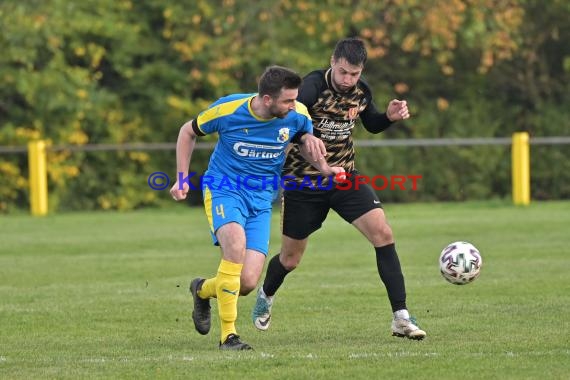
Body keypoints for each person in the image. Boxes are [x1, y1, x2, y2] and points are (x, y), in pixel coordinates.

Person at [252, 38, 427, 340]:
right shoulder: (311, 88)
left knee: (383, 233)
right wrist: (304, 140)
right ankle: (266, 295)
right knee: (290, 259)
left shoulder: (362, 90)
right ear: (332, 61)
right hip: (303, 181)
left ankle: (401, 317)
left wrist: (388, 117)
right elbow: (286, 123)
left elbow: (370, 123)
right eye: (344, 72)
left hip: (343, 177)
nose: (348, 80)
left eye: (354, 74)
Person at [170, 66, 343, 350]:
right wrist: (181, 178)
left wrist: (325, 168)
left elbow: (304, 144)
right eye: (287, 100)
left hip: (262, 198)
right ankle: (229, 336)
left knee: (247, 282)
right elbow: (187, 132)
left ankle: (201, 290)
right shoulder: (228, 110)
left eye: (295, 99)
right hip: (225, 188)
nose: (294, 104)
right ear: (266, 99)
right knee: (235, 246)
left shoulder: (298, 114)